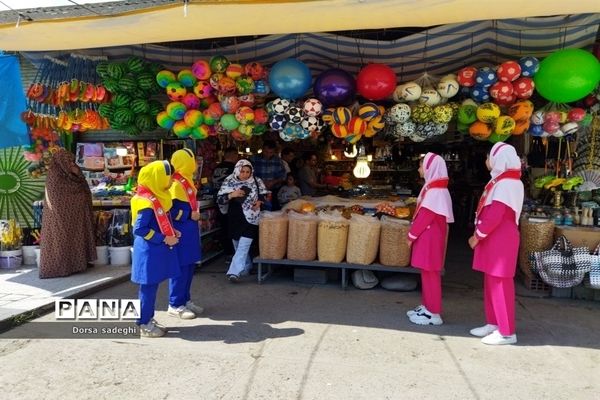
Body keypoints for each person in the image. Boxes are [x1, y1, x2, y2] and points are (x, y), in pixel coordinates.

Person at [468, 142, 523, 345]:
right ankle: (494, 323)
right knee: (491, 282)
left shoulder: (507, 184)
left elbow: (495, 214)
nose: (486, 161)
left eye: (489, 156)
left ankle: (507, 332)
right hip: (496, 237)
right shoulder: (504, 181)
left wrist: (478, 235)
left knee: (500, 283)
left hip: (500, 238)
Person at [131, 160, 181, 338]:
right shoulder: (146, 201)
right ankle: (143, 323)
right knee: (148, 287)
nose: (171, 181)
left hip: (156, 250)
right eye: (168, 177)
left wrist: (172, 231)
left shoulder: (157, 196)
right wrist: (163, 237)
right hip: (149, 251)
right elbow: (139, 229)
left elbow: (159, 222)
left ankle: (148, 319)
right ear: (157, 178)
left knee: (152, 286)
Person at [406, 153, 454, 326]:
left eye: (421, 166)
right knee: (427, 272)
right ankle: (427, 306)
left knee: (431, 273)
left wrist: (411, 235)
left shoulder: (436, 191)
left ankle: (433, 312)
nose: (419, 169)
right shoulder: (434, 188)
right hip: (429, 236)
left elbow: (425, 215)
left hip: (430, 237)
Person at [39, 148, 96, 279]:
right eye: (69, 162)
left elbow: (82, 187)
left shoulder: (70, 173)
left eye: (72, 162)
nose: (72, 165)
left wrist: (78, 174)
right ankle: (61, 268)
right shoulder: (55, 176)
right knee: (62, 239)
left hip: (74, 214)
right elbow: (58, 197)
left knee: (77, 236)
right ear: (61, 162)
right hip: (59, 217)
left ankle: (77, 264)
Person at [217, 159, 268, 282]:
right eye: (242, 171)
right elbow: (219, 200)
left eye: (248, 172)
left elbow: (264, 194)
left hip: (252, 217)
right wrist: (231, 195)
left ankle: (234, 272)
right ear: (237, 170)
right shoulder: (229, 181)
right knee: (237, 243)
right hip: (235, 217)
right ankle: (246, 266)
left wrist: (259, 201)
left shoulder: (257, 181)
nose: (245, 174)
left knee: (243, 246)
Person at [168, 149, 204, 320]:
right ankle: (175, 304)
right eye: (193, 159)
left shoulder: (187, 181)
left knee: (189, 266)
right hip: (181, 231)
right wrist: (189, 215)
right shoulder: (174, 184)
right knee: (180, 268)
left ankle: (185, 299)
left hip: (190, 230)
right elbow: (170, 211)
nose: (196, 163)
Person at [212, 147, 238, 255]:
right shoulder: (234, 168)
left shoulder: (217, 168)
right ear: (233, 155)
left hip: (218, 199)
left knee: (223, 226)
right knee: (232, 227)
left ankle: (227, 252)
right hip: (230, 200)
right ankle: (231, 251)